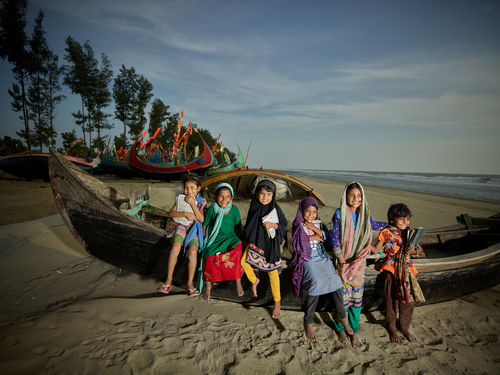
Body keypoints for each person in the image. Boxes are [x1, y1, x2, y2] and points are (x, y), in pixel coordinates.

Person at [329, 181, 386, 348]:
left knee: (356, 299)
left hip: (358, 262)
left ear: (363, 197)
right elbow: (334, 238)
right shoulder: (339, 214)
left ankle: (353, 330)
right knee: (342, 299)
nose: (356, 198)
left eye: (359, 195)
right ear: (345, 196)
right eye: (352, 195)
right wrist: (341, 261)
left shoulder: (365, 214)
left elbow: (377, 226)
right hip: (343, 261)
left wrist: (392, 225)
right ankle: (340, 328)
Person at [290, 197, 353, 342]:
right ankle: (308, 320)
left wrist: (314, 229)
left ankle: (341, 316)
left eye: (314, 211)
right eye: (308, 211)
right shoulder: (297, 224)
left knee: (337, 281)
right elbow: (297, 243)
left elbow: (329, 239)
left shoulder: (319, 224)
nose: (311, 215)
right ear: (302, 210)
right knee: (316, 283)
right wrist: (316, 238)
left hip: (322, 258)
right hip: (308, 259)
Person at [371, 203, 424, 343]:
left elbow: (418, 251)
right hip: (391, 269)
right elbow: (376, 250)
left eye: (407, 219)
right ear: (391, 220)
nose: (405, 222)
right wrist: (363, 242)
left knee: (408, 300)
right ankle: (392, 328)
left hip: (406, 270)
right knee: (392, 299)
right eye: (401, 219)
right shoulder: (386, 233)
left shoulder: (409, 234)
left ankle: (404, 327)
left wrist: (413, 251)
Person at [240, 180, 287, 319]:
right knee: (243, 262)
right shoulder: (254, 205)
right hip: (255, 242)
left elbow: (284, 224)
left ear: (273, 196)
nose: (265, 197)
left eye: (268, 194)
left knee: (273, 273)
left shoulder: (275, 208)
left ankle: (277, 302)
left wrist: (273, 225)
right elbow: (250, 224)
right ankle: (254, 280)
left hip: (270, 244)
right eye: (262, 193)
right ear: (256, 194)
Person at [157, 174, 206, 297]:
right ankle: (169, 280)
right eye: (186, 188)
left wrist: (193, 205)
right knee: (174, 249)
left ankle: (189, 284)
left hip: (194, 230)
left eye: (192, 188)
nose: (189, 191)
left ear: (199, 188)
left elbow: (202, 220)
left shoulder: (201, 202)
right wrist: (185, 213)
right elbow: (171, 212)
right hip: (181, 227)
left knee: (193, 253)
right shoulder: (180, 198)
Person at [199, 183, 244, 301]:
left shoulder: (234, 210)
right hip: (216, 239)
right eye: (221, 196)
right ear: (215, 197)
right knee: (209, 258)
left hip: (231, 239)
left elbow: (238, 227)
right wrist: (202, 241)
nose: (224, 200)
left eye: (228, 196)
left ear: (232, 197)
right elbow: (205, 225)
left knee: (237, 254)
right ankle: (208, 286)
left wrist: (240, 241)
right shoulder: (212, 210)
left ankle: (237, 281)